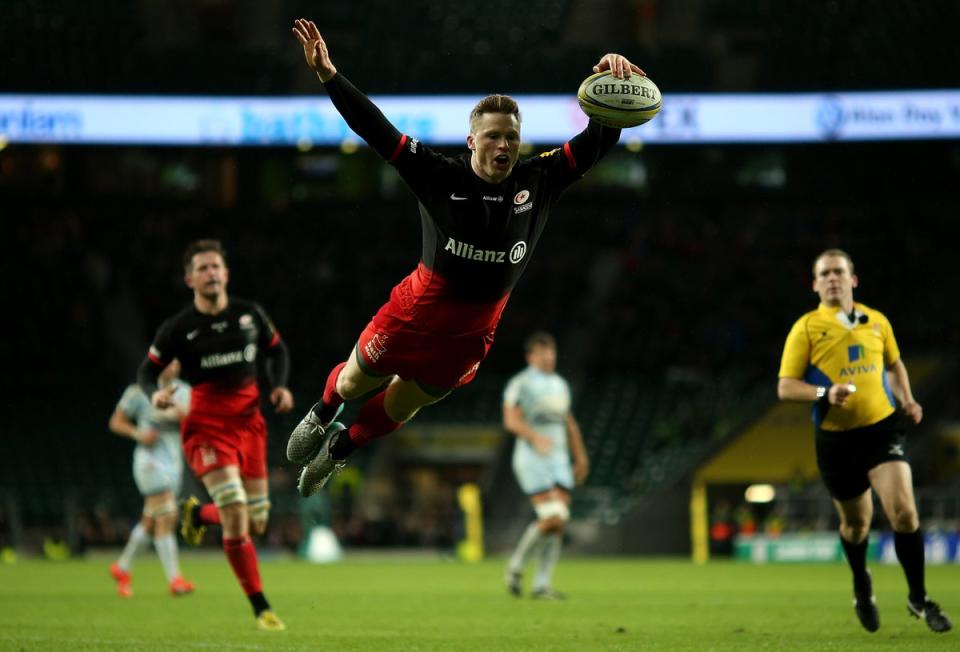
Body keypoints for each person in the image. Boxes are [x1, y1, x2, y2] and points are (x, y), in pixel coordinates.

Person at [286, 17, 641, 499]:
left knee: (400, 407)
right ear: (472, 141)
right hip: (413, 313)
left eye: (512, 137)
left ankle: (339, 449)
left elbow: (599, 140)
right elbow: (373, 128)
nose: (504, 146)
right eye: (493, 136)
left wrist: (616, 86)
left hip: (471, 336)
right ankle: (323, 412)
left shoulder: (539, 180)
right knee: (351, 384)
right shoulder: (436, 175)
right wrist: (329, 75)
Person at [777, 248, 951, 634]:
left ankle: (919, 598)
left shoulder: (877, 322)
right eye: (824, 274)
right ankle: (861, 583)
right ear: (815, 285)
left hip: (881, 430)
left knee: (904, 512)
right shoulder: (805, 328)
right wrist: (825, 395)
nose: (832, 279)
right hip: (836, 442)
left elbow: (894, 365)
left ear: (853, 279)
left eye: (839, 272)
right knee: (856, 526)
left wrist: (907, 399)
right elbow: (785, 387)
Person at [138, 239, 294, 631]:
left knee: (256, 523)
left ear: (226, 273)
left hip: (250, 427)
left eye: (216, 267)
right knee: (237, 512)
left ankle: (198, 513)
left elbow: (278, 351)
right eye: (202, 268)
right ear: (189, 278)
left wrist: (278, 386)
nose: (211, 273)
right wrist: (154, 392)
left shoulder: (250, 315)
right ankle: (261, 607)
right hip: (206, 428)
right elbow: (146, 371)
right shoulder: (178, 329)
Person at [502, 332, 588, 600]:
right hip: (532, 457)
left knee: (557, 524)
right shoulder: (521, 384)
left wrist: (581, 456)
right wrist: (534, 437)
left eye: (550, 351)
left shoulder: (561, 384)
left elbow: (568, 422)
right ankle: (515, 566)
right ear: (531, 357)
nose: (548, 356)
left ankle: (541, 585)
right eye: (542, 352)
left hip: (559, 459)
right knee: (554, 517)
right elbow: (511, 421)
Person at [108, 360, 194, 598]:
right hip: (148, 460)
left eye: (176, 361)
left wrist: (171, 407)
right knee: (168, 514)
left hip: (173, 461)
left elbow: (188, 416)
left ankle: (122, 568)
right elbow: (115, 421)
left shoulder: (184, 391)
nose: (173, 366)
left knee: (150, 521)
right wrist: (137, 432)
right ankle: (175, 579)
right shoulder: (137, 391)